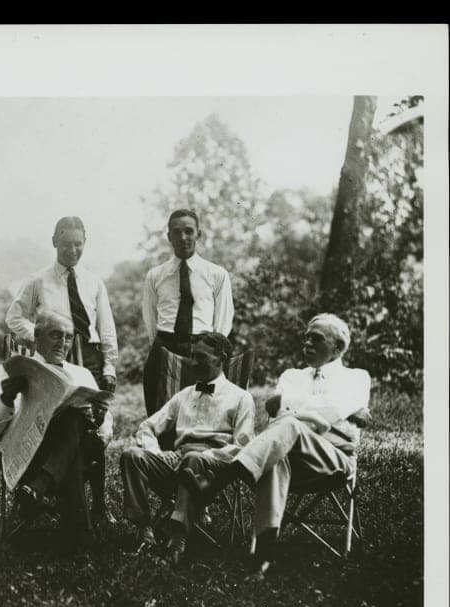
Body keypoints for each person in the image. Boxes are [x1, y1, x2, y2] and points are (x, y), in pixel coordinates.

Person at [181, 314, 370, 574]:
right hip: (286, 455)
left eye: (316, 339)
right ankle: (263, 556)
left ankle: (220, 478)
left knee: (289, 427)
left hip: (332, 460)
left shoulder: (356, 378)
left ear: (338, 347)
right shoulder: (291, 376)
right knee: (276, 454)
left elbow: (324, 416)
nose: (307, 343)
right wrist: (332, 413)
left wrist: (293, 407)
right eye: (306, 338)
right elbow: (277, 415)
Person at [5, 216, 119, 522]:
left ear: (85, 243)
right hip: (55, 357)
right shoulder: (38, 281)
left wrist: (109, 366)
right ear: (54, 241)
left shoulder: (94, 282)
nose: (72, 250)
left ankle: (98, 504)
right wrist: (40, 336)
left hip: (89, 358)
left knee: (93, 425)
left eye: (78, 244)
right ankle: (61, 497)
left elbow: (106, 328)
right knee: (61, 422)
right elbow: (14, 318)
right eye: (66, 244)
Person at [119, 332, 254, 565]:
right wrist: (156, 453)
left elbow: (243, 444)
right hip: (178, 458)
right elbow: (148, 426)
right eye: (192, 356)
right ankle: (144, 528)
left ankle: (177, 538)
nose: (192, 363)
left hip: (215, 464)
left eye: (200, 357)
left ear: (221, 359)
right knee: (132, 455)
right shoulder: (184, 395)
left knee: (193, 458)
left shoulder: (241, 398)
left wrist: (208, 455)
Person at [0, 311, 112, 547]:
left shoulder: (81, 374)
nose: (63, 343)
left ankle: (39, 488)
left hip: (78, 452)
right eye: (55, 335)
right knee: (71, 431)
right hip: (30, 456)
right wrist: (6, 399)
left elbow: (103, 435)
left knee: (72, 420)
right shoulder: (12, 371)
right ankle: (79, 532)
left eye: (68, 337)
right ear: (37, 336)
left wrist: (100, 419)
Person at [141, 209, 234, 415]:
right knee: (160, 410)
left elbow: (223, 320)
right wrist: (163, 347)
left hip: (203, 347)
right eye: (176, 232)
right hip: (165, 345)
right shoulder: (155, 276)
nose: (183, 237)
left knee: (201, 411)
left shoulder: (216, 274)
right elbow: (150, 318)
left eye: (189, 231)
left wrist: (210, 352)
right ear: (169, 236)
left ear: (198, 234)